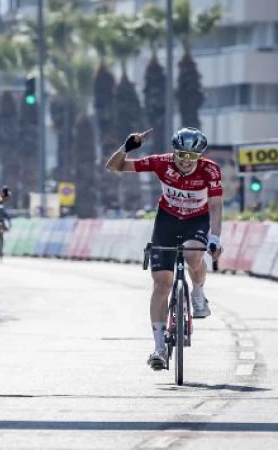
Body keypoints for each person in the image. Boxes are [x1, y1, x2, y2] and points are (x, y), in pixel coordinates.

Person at [105, 127, 224, 371]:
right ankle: (158, 348)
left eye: (192, 157)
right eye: (181, 155)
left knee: (193, 255)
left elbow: (216, 206)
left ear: (200, 156)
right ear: (174, 152)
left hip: (196, 220)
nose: (185, 161)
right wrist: (126, 148)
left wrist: (215, 238)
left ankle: (198, 293)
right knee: (161, 284)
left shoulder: (210, 170)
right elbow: (114, 166)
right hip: (167, 219)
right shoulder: (161, 163)